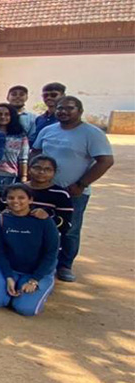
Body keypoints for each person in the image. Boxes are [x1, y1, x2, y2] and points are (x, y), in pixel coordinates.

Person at [32, 95, 114, 282]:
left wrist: (82, 184)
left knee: (69, 229)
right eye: (60, 108)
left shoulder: (91, 133)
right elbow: (36, 151)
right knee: (39, 224)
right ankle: (40, 261)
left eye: (69, 108)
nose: (63, 111)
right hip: (45, 189)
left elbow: (106, 160)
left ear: (80, 111)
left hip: (73, 192)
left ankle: (65, 265)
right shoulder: (48, 130)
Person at [0, 184, 59, 316]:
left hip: (36, 272)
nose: (15, 201)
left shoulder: (44, 221)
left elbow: (51, 253)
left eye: (21, 197)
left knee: (25, 309)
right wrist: (8, 277)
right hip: (10, 268)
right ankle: (10, 286)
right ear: (5, 200)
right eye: (10, 198)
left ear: (30, 199)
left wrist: (34, 280)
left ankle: (41, 287)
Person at [26, 155, 74, 235]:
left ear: (54, 172)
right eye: (37, 168)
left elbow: (66, 224)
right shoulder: (17, 189)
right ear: (29, 169)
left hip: (46, 239)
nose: (41, 172)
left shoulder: (60, 194)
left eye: (47, 169)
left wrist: (48, 218)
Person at [0, 103, 29, 200]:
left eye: (7, 114)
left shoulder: (20, 136)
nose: (3, 117)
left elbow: (23, 159)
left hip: (11, 178)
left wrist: (23, 177)